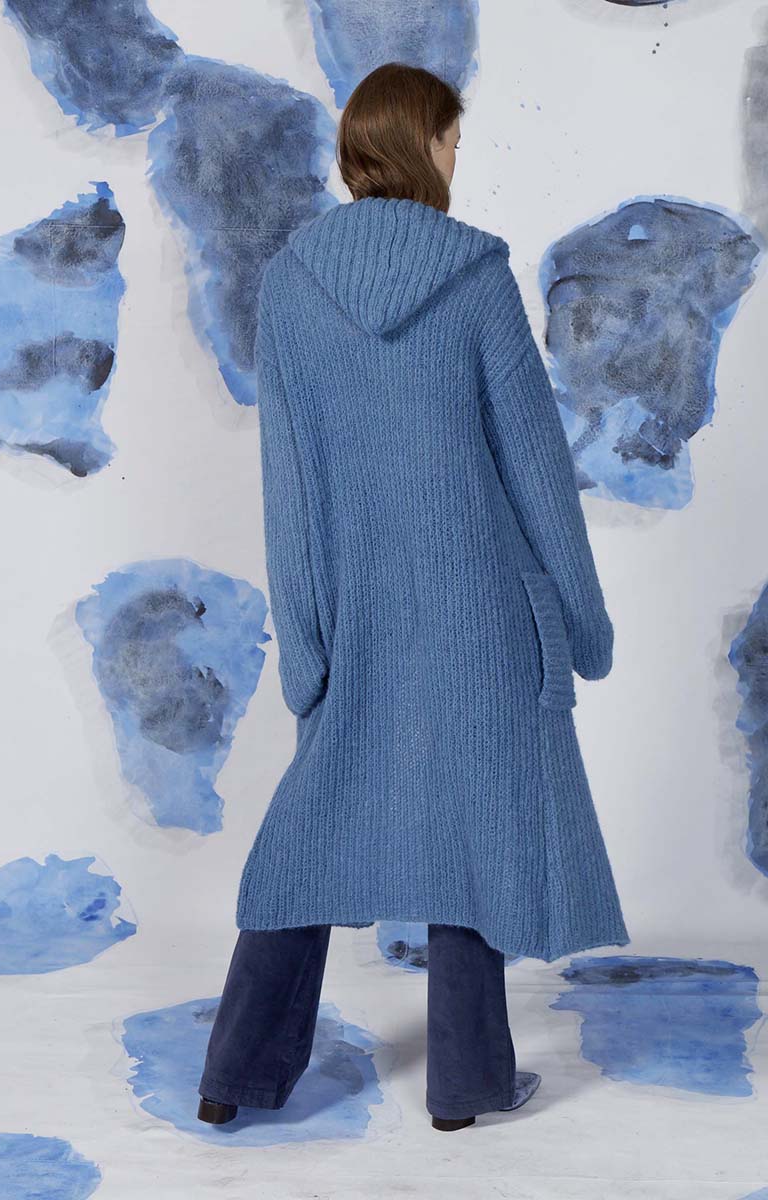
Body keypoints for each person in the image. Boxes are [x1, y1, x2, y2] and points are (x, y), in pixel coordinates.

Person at [197, 62, 630, 1133]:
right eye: (449, 140)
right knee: (472, 834)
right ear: (420, 145)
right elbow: (537, 475)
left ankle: (234, 1077)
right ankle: (465, 1085)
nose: (454, 157)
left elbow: (290, 488)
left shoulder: (291, 286)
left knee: (305, 844)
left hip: (359, 615)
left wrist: (308, 642)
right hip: (485, 611)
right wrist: (583, 622)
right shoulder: (475, 275)